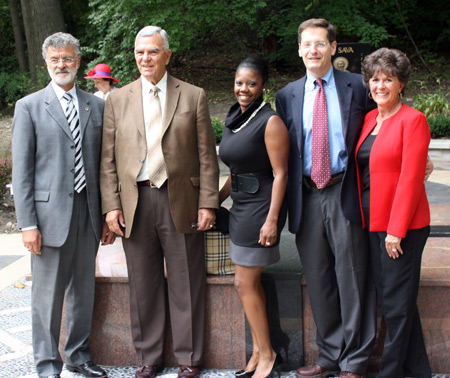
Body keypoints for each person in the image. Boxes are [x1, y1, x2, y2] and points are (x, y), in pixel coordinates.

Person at [100, 25, 219, 378]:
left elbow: (207, 156)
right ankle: (148, 357)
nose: (145, 58)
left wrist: (208, 202)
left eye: (152, 51)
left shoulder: (193, 95)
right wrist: (111, 205)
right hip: (134, 201)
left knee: (186, 281)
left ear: (167, 54)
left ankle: (188, 358)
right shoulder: (118, 99)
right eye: (139, 52)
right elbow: (107, 158)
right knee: (143, 284)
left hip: (180, 198)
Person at [275, 19, 377, 378]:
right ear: (299, 49)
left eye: (321, 44)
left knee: (352, 277)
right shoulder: (287, 95)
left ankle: (355, 360)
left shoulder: (358, 87)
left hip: (344, 191)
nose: (313, 51)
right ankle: (330, 355)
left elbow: (384, 126)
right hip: (306, 196)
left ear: (333, 48)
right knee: (318, 279)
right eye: (307, 45)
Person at [11, 32, 114, 378]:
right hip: (46, 217)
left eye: (67, 59)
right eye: (55, 60)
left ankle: (77, 355)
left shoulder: (96, 105)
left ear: (78, 61)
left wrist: (107, 215)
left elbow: (104, 164)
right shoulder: (28, 107)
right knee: (47, 298)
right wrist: (27, 224)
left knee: (83, 292)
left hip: (87, 213)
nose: (61, 65)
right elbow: (22, 171)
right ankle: (46, 365)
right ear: (46, 63)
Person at [356, 48, 432, 378]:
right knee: (392, 300)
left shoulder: (413, 120)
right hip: (372, 221)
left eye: (389, 79)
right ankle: (417, 370)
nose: (380, 85)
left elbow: (412, 179)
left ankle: (390, 373)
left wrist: (396, 230)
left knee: (396, 306)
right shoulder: (369, 119)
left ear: (401, 84)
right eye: (375, 79)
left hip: (402, 227)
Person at [219, 57, 289, 378]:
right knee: (249, 284)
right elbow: (234, 171)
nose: (243, 89)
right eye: (239, 82)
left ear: (263, 86)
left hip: (260, 207)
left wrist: (272, 219)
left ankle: (269, 355)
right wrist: (213, 201)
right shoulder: (235, 117)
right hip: (240, 206)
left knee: (243, 283)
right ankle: (260, 351)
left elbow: (280, 174)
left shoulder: (270, 121)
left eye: (251, 84)